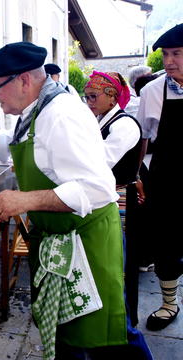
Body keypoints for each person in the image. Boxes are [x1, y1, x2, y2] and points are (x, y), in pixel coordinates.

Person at [0, 41, 152, 359]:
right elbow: (15, 138)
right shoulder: (36, 108)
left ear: (23, 80)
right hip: (59, 238)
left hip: (86, 242)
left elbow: (98, 188)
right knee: (69, 330)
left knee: (108, 335)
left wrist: (24, 200)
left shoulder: (61, 115)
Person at [83, 71, 143, 327]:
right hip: (108, 195)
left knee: (121, 263)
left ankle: (124, 322)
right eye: (87, 97)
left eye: (93, 96)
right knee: (108, 262)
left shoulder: (124, 124)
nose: (89, 102)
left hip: (121, 200)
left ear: (111, 97)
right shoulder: (101, 121)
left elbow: (100, 162)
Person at [137, 23, 183, 331]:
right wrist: (136, 176)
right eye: (166, 54)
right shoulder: (152, 92)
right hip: (165, 181)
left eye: (177, 53)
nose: (169, 61)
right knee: (167, 244)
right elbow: (139, 138)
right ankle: (169, 304)